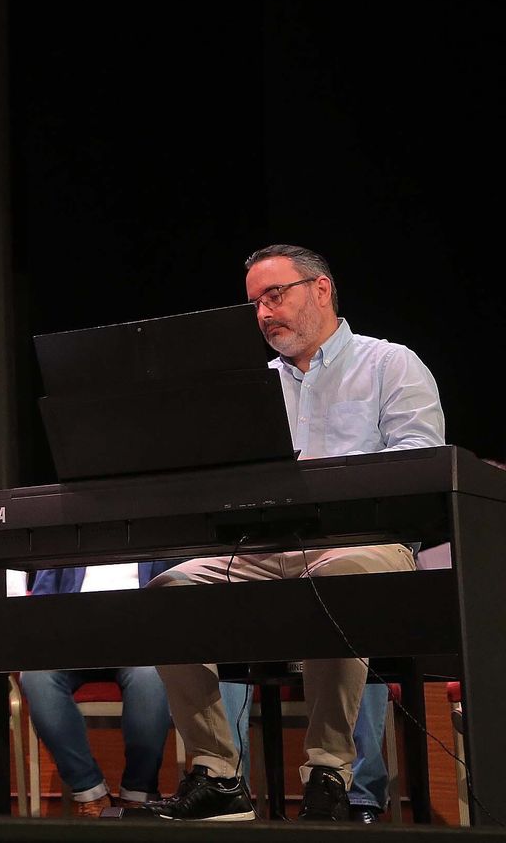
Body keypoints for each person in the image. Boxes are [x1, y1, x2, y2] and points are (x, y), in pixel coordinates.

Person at [143, 244, 444, 822]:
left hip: (366, 547)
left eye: (275, 295)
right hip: (267, 550)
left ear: (322, 290)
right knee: (169, 593)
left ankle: (331, 771)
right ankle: (218, 774)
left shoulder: (390, 364)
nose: (263, 312)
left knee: (337, 576)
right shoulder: (251, 389)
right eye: (255, 302)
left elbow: (419, 467)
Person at [19, 564, 174, 815]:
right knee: (36, 677)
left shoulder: (157, 528)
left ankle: (138, 794)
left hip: (141, 643)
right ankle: (90, 791)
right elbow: (41, 602)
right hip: (73, 644)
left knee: (152, 674)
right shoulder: (66, 530)